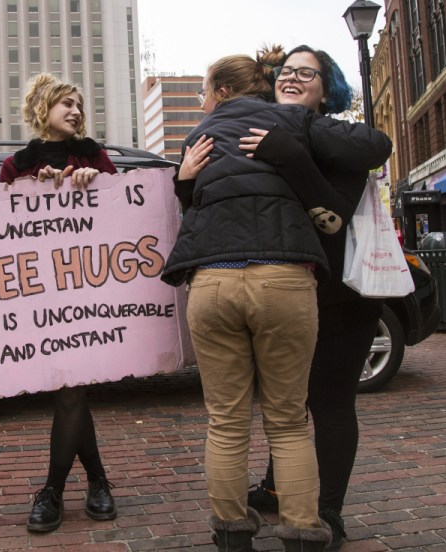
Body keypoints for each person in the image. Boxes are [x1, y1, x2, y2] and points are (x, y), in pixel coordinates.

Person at [160, 46, 391, 552]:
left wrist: (184, 180)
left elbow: (195, 204)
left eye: (203, 91)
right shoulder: (291, 119)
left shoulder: (198, 136)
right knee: (287, 420)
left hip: (214, 279)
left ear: (221, 92)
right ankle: (305, 532)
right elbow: (375, 144)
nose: (201, 101)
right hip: (285, 277)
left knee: (226, 421)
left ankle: (233, 536)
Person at [239, 45, 391, 551]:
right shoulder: (264, 129)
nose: (293, 77)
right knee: (286, 402)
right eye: (287, 71)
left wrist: (291, 152)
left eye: (308, 73)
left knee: (329, 402)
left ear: (327, 89)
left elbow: (332, 216)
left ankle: (330, 509)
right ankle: (279, 485)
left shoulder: (340, 141)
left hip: (340, 293)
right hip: (283, 286)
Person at [0, 73, 117, 533]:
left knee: (70, 390)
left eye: (78, 105)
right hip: (38, 301)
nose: (75, 111)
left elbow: (124, 215)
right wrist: (33, 191)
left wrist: (96, 183)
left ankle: (51, 491)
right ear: (42, 108)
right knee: (72, 392)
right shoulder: (17, 165)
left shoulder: (93, 156)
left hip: (87, 296)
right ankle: (99, 481)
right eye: (65, 103)